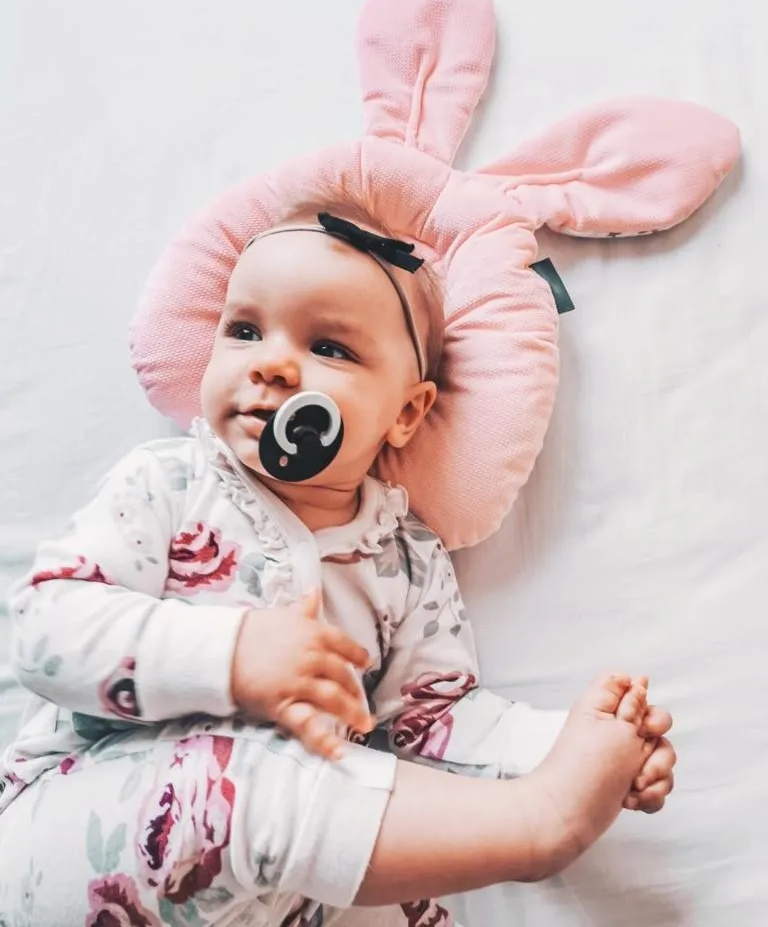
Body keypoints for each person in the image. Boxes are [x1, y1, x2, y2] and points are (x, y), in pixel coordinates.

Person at [0, 214, 675, 927]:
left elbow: (435, 721)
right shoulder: (169, 483)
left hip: (266, 897)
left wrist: (573, 748)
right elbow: (45, 630)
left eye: (328, 347)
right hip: (75, 835)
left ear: (406, 413)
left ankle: (545, 801)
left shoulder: (405, 557)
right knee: (243, 784)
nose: (272, 365)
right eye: (244, 331)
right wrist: (232, 655)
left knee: (398, 874)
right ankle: (537, 827)